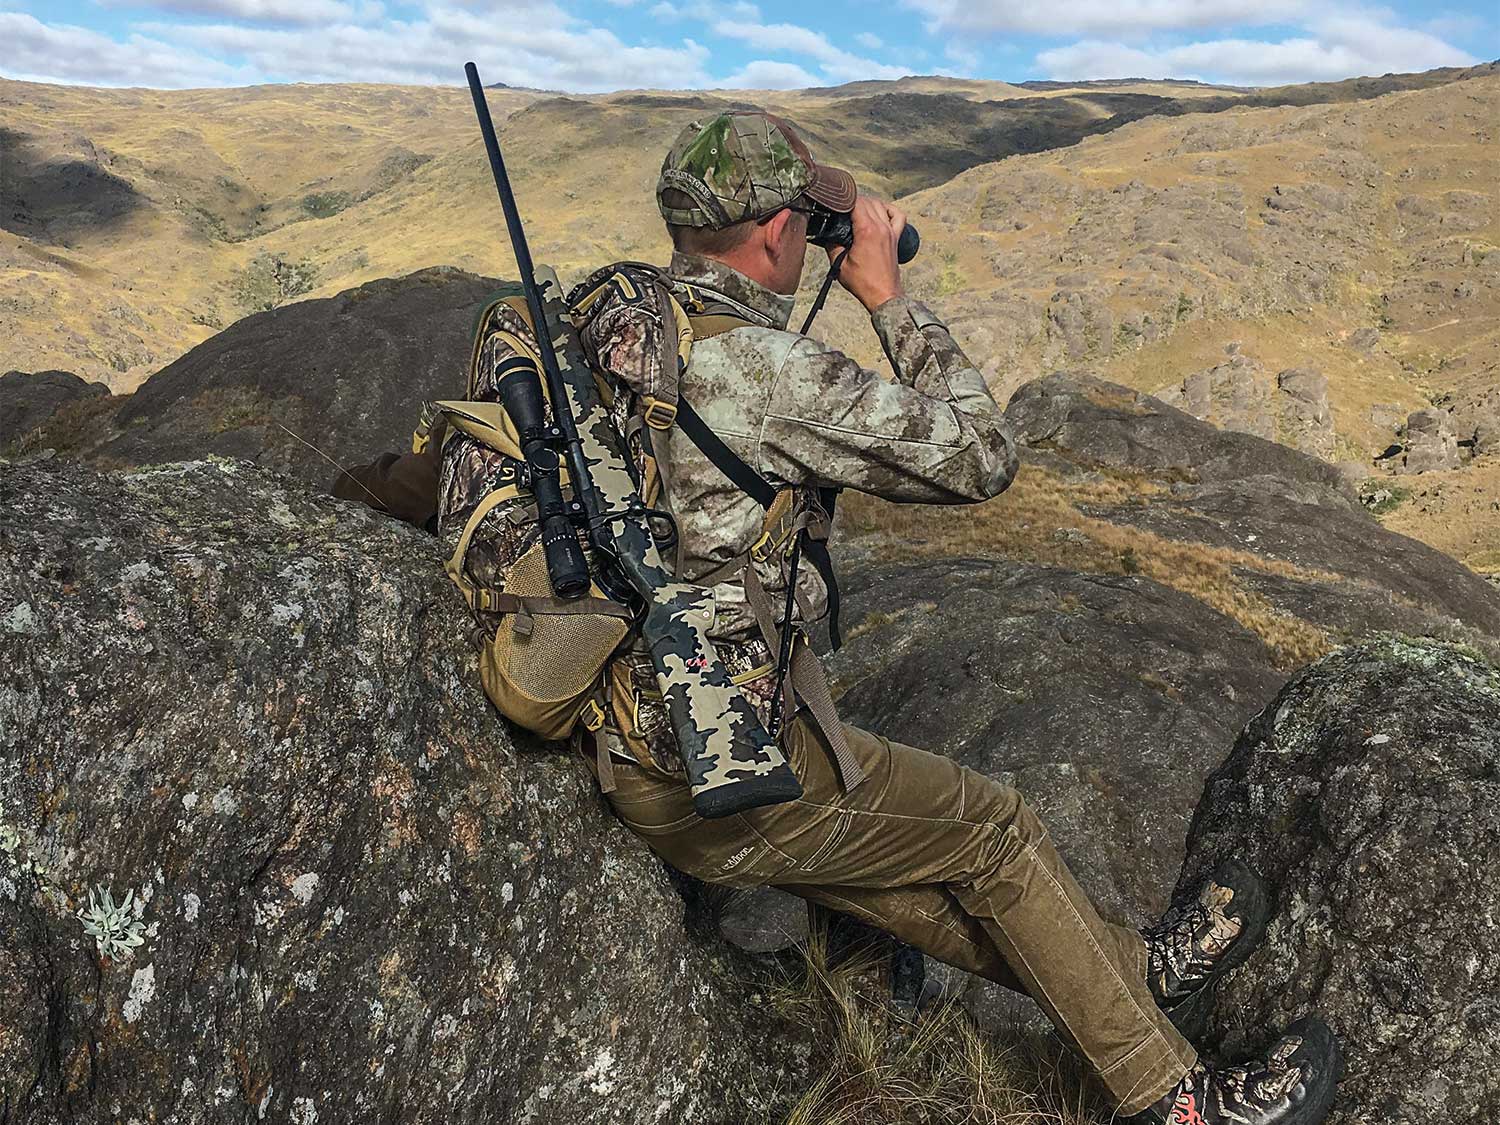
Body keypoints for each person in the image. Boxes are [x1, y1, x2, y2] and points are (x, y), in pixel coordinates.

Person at [337, 111, 1340, 1125]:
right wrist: (887, 298)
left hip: (624, 738)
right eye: (808, 220)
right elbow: (982, 456)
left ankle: (1133, 972)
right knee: (994, 834)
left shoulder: (602, 325)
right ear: (778, 232)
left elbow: (451, 462)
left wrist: (344, 498)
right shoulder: (767, 375)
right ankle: (1174, 1099)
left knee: (909, 882)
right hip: (720, 767)